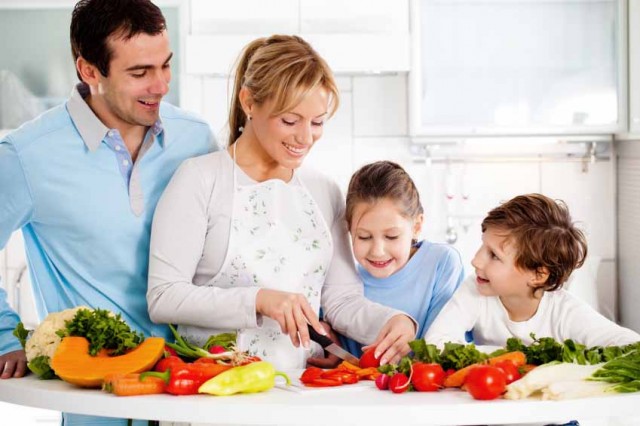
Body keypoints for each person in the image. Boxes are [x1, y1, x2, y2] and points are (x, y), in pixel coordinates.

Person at [147, 35, 416, 371]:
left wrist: (393, 321)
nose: (305, 138)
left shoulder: (323, 190)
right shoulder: (200, 179)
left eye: (317, 122)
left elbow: (342, 300)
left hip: (298, 393)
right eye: (290, 121)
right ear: (249, 102)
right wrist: (259, 299)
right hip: (213, 390)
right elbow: (164, 297)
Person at [0, 0, 215, 407]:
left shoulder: (195, 139)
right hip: (95, 399)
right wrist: (3, 335)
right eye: (140, 72)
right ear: (89, 71)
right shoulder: (26, 157)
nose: (161, 85)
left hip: (193, 385)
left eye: (165, 65)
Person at [424, 193, 640, 349]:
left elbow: (628, 343)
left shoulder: (563, 311)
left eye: (494, 255)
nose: (476, 260)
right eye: (483, 246)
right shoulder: (476, 289)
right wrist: (507, 361)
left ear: (538, 275)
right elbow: (436, 341)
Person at [338, 161, 465, 357]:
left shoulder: (441, 263)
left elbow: (443, 340)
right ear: (349, 227)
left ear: (416, 226)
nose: (378, 251)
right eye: (363, 236)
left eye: (392, 236)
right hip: (362, 385)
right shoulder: (343, 276)